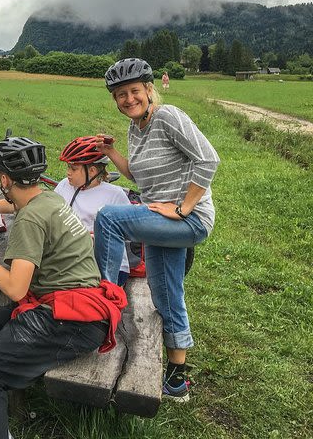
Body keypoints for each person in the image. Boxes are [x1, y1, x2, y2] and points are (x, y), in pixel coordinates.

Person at [0, 137, 127, 439]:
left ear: (4, 178)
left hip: (71, 321)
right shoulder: (49, 198)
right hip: (79, 307)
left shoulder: (30, 219)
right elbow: (12, 203)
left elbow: (16, 290)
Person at [95, 57, 220, 402]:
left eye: (134, 91)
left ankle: (103, 302)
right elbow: (138, 176)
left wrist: (183, 207)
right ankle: (177, 379)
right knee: (166, 293)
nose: (128, 99)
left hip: (188, 220)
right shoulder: (135, 130)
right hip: (160, 221)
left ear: (149, 90)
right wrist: (110, 152)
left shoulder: (168, 117)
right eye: (120, 94)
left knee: (109, 218)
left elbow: (208, 159)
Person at [54, 136, 131, 284]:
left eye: (73, 168)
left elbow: (130, 232)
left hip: (108, 267)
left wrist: (98, 237)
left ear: (92, 170)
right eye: (68, 167)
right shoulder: (64, 185)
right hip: (72, 259)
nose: (68, 172)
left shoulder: (114, 195)